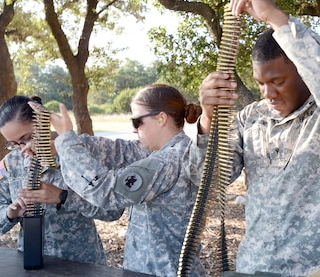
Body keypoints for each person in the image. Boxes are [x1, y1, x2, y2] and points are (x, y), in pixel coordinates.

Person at [193, 0, 320, 277]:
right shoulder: (250, 119)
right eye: (260, 83)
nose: (268, 93)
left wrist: (277, 19)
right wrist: (207, 120)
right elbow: (210, 183)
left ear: (304, 71)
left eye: (278, 81)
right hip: (259, 268)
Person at [27, 84, 206, 277]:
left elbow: (104, 191)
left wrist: (67, 141)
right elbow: (116, 150)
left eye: (137, 122)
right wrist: (57, 146)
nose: (134, 130)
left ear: (161, 118)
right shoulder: (159, 150)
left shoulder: (168, 161)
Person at [0, 95, 124, 265]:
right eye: (14, 143)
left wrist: (64, 197)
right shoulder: (11, 164)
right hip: (31, 262)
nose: (22, 149)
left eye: (26, 138)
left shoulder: (76, 154)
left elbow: (113, 210)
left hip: (82, 264)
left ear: (43, 123)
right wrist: (9, 213)